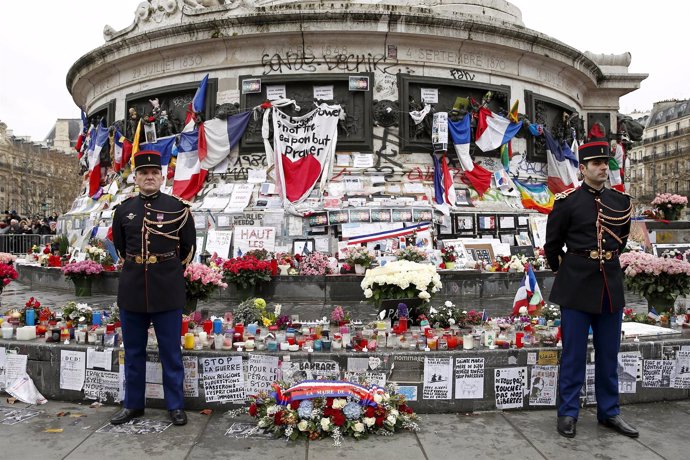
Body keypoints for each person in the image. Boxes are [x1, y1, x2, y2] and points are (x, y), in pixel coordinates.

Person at [545, 133, 637, 439]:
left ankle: (609, 412)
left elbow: (620, 241)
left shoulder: (620, 201)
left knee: (609, 354)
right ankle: (568, 412)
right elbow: (553, 245)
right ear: (582, 168)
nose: (602, 168)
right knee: (573, 355)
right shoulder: (567, 202)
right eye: (596, 163)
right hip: (576, 285)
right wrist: (565, 272)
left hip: (610, 284)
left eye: (605, 163)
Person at [111, 150, 196, 426]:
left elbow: (187, 249)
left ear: (162, 177)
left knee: (170, 351)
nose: (149, 177)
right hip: (133, 289)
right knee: (133, 352)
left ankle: (175, 406)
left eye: (154, 173)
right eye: (143, 173)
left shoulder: (178, 208)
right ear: (135, 178)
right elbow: (122, 248)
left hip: (167, 289)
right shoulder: (123, 210)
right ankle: (133, 405)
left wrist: (167, 271)